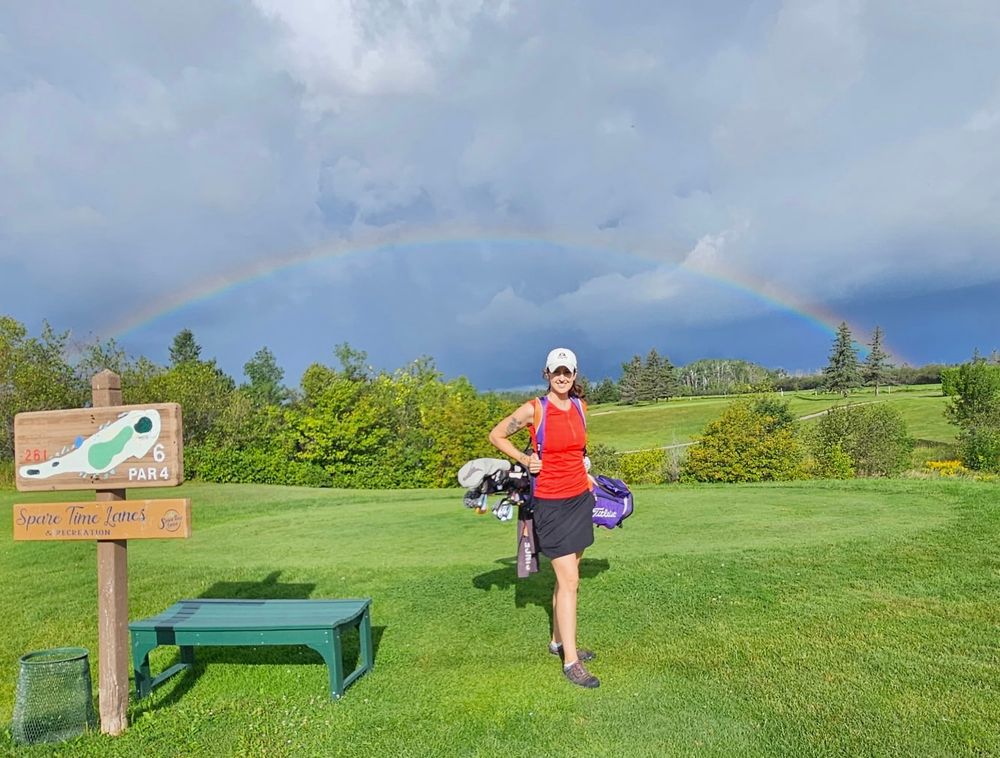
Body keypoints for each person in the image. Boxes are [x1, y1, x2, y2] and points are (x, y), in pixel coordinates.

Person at [488, 347, 599, 689]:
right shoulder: (535, 408)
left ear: (575, 374)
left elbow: (578, 451)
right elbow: (496, 435)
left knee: (569, 576)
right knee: (570, 581)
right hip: (550, 503)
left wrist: (588, 473)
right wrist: (524, 458)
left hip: (580, 497)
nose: (563, 377)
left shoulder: (581, 407)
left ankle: (557, 641)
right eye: (557, 372)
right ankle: (571, 662)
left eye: (568, 372)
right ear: (547, 374)